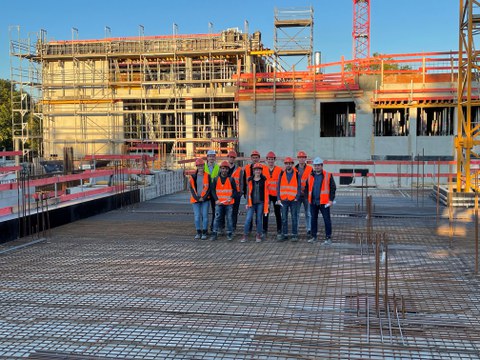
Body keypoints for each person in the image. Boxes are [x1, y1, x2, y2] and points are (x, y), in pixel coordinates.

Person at [307, 157, 337, 245]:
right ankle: (314, 236)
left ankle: (328, 238)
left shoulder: (328, 175)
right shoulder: (310, 175)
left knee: (327, 219)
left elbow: (333, 188)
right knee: (313, 219)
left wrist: (331, 200)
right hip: (313, 202)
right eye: (315, 165)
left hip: (324, 202)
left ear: (322, 166)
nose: (317, 167)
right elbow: (307, 188)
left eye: (318, 165)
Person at [210, 161, 238, 241]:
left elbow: (235, 191)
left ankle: (229, 233)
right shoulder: (216, 179)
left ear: (228, 170)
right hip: (219, 203)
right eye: (222, 168)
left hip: (229, 203)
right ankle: (214, 233)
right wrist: (216, 199)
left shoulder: (231, 179)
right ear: (220, 169)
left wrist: (231, 197)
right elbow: (212, 190)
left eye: (225, 169)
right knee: (217, 218)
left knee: (229, 218)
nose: (224, 170)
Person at [276, 157, 301, 242]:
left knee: (294, 218)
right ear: (285, 164)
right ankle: (285, 234)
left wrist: (297, 197)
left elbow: (299, 187)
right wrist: (278, 198)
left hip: (293, 200)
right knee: (284, 218)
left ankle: (294, 235)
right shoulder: (281, 173)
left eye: (290, 163)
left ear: (292, 164)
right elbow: (278, 186)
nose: (288, 165)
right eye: (287, 163)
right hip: (284, 200)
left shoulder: (297, 174)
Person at [242, 163, 269, 243]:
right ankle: (245, 235)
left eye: (259, 170)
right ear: (253, 171)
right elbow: (248, 192)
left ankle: (258, 234)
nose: (257, 171)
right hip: (251, 203)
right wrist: (247, 202)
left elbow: (266, 192)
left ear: (261, 171)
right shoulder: (250, 180)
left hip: (260, 203)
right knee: (248, 219)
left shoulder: (264, 180)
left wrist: (267, 203)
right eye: (256, 170)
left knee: (259, 219)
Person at [188, 158, 211, 240]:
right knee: (197, 216)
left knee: (205, 216)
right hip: (196, 200)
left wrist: (203, 198)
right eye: (199, 166)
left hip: (205, 199)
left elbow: (209, 189)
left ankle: (204, 232)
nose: (200, 167)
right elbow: (191, 188)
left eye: (202, 165)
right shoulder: (193, 177)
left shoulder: (207, 176)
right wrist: (197, 198)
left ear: (204, 166)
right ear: (197, 166)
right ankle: (198, 232)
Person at [262, 151, 283, 239]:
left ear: (274, 160)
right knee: (266, 212)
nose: (270, 161)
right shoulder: (263, 169)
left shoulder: (279, 170)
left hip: (276, 195)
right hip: (267, 195)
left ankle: (279, 230)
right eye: (269, 159)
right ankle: (264, 230)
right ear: (266, 160)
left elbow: (282, 182)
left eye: (272, 159)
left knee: (278, 213)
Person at [295, 150, 313, 237]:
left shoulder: (310, 169)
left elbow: (313, 181)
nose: (301, 159)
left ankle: (309, 229)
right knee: (296, 213)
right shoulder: (294, 169)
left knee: (308, 213)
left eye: (303, 157)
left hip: (307, 195)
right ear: (298, 159)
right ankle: (296, 230)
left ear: (305, 158)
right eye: (300, 157)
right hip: (297, 195)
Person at [227, 150, 243, 233]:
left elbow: (241, 182)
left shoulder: (239, 169)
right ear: (228, 157)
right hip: (226, 193)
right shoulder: (223, 168)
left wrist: (240, 193)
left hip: (236, 193)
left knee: (234, 211)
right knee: (226, 211)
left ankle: (233, 227)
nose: (232, 159)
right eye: (230, 157)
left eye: (233, 157)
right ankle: (226, 227)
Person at [204, 149, 220, 232]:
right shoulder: (203, 167)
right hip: (205, 192)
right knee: (204, 212)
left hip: (214, 192)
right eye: (210, 156)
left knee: (215, 211)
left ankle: (213, 227)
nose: (211, 158)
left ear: (215, 157)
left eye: (213, 156)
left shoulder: (218, 167)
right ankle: (204, 228)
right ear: (207, 157)